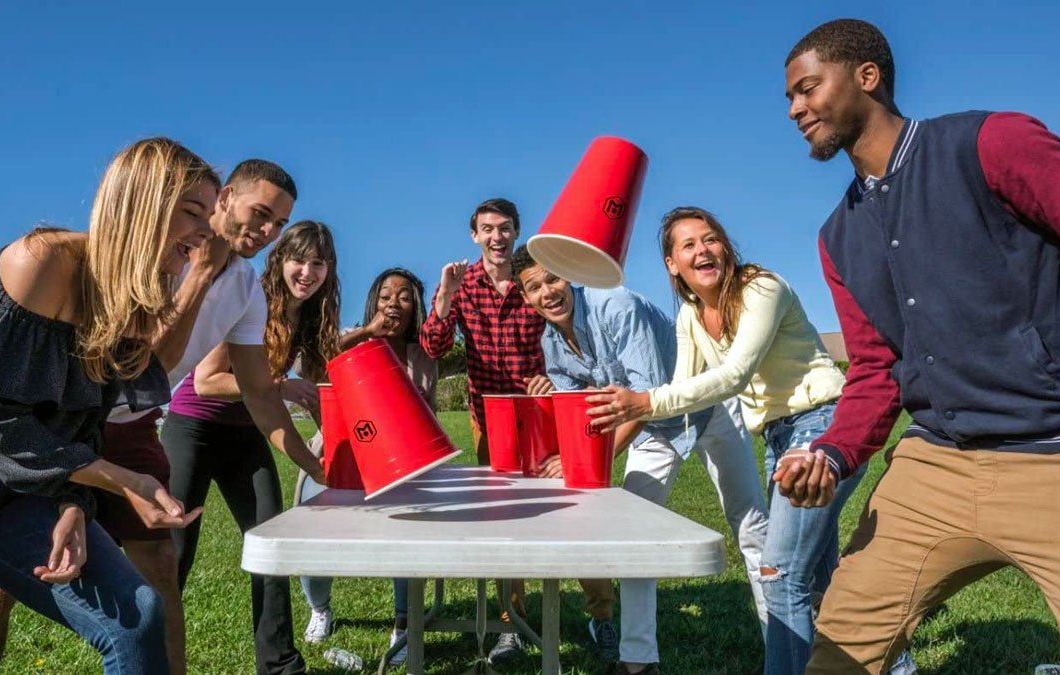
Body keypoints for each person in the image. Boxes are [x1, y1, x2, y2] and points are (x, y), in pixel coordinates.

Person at [780, 19, 1060, 673]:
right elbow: (874, 366)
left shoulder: (991, 143)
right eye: (789, 98)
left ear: (868, 76)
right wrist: (833, 454)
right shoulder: (838, 236)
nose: (795, 108)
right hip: (937, 467)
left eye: (807, 88)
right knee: (836, 657)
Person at [0, 159, 325, 675]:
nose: (266, 232)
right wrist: (199, 274)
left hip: (135, 426)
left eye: (279, 224)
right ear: (225, 198)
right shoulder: (155, 258)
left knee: (162, 567)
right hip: (67, 419)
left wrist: (315, 464)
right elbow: (139, 367)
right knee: (0, 584)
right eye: (260, 213)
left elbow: (261, 394)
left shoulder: (246, 289)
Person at [0, 137, 216, 675]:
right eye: (192, 212)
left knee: (135, 618)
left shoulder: (132, 302)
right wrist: (126, 483)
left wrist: (71, 505)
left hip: (13, 486)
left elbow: (80, 424)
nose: (206, 233)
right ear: (142, 204)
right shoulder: (40, 261)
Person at [588, 207, 860, 675]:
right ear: (672, 264)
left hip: (822, 427)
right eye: (688, 245)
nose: (703, 250)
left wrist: (644, 400)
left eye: (710, 239)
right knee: (818, 579)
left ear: (726, 247)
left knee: (780, 572)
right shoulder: (691, 315)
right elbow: (682, 389)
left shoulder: (762, 288)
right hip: (781, 438)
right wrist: (629, 410)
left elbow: (733, 376)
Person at [512, 245, 769, 674]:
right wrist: (549, 402)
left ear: (569, 276)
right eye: (534, 287)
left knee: (752, 528)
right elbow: (578, 413)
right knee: (635, 538)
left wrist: (595, 457)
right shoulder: (551, 343)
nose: (547, 292)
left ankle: (785, 649)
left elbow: (647, 396)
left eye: (552, 279)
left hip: (708, 407)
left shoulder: (616, 304)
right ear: (525, 298)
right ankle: (637, 661)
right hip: (654, 430)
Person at [168, 220, 339, 671]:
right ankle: (150, 658)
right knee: (174, 553)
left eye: (318, 263)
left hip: (248, 434)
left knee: (273, 546)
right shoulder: (250, 298)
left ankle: (281, 665)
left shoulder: (313, 318)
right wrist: (279, 385)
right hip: (194, 429)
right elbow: (207, 381)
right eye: (299, 259)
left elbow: (317, 392)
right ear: (280, 259)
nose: (307, 271)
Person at [419, 198, 547, 665]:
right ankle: (511, 622)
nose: (497, 236)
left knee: (575, 504)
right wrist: (445, 295)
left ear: (516, 232)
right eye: (487, 229)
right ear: (475, 235)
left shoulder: (535, 277)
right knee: (505, 517)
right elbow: (432, 345)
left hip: (540, 409)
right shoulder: (465, 283)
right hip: (489, 419)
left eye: (505, 228)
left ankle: (600, 612)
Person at [300, 266, 439, 667]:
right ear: (372, 302)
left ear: (416, 308)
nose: (393, 303)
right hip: (338, 457)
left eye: (404, 296)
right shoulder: (349, 340)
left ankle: (403, 622)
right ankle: (320, 608)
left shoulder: (422, 356)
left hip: (399, 466)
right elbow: (312, 369)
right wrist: (367, 334)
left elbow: (424, 415)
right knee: (311, 536)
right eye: (385, 295)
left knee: (407, 541)